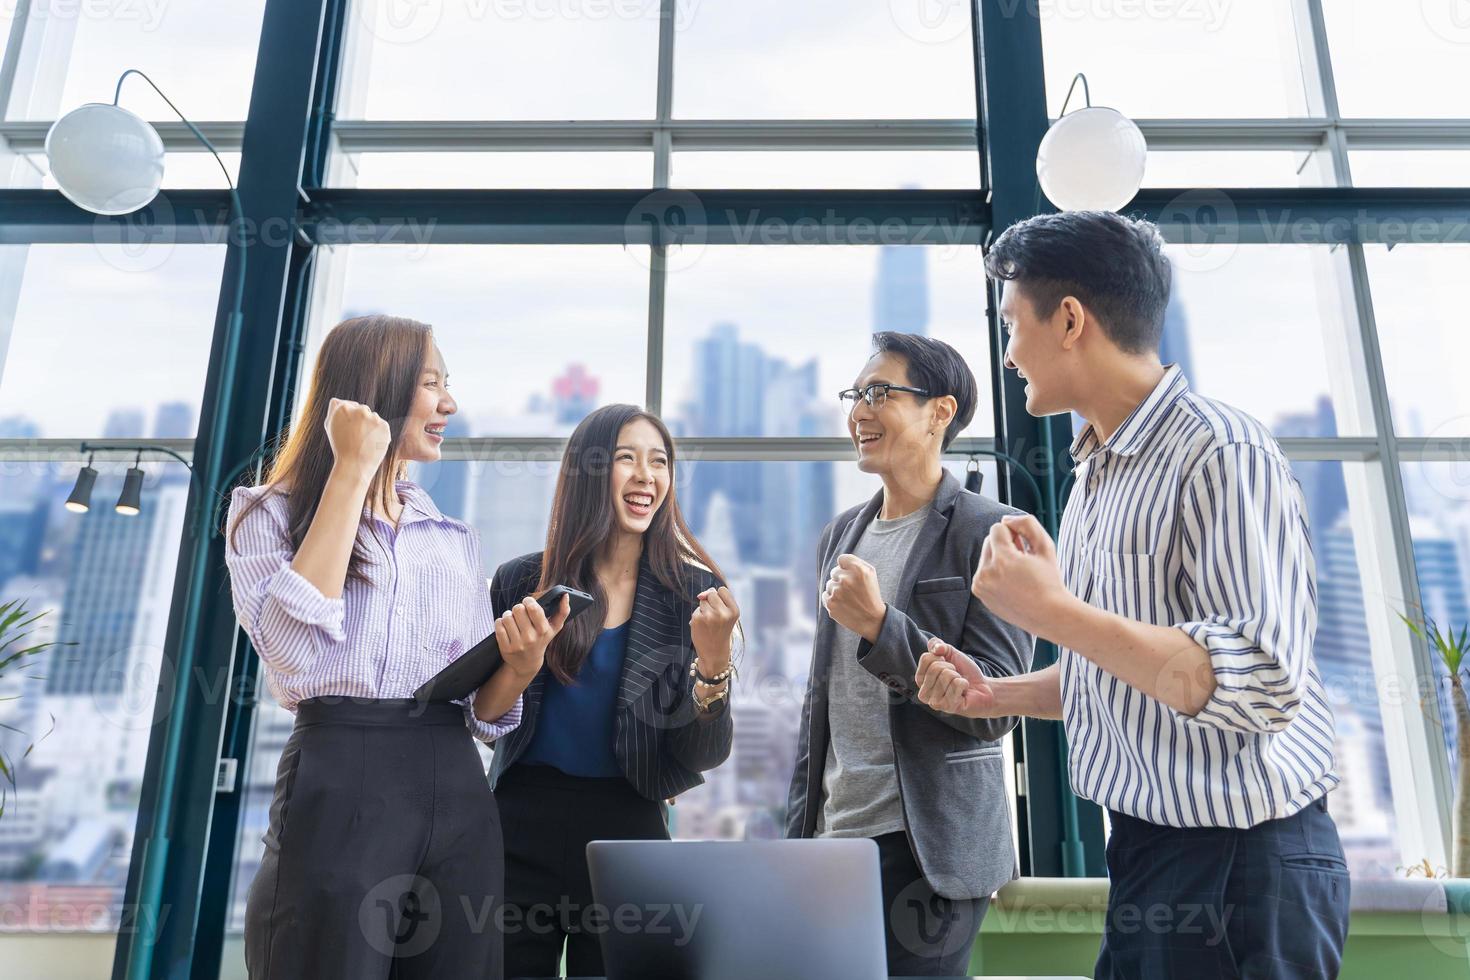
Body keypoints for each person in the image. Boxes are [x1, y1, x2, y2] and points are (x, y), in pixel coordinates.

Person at [916, 211, 1350, 978]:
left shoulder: (1222, 450)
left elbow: (1260, 681)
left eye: (1014, 325)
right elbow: (1125, 672)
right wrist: (996, 695)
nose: (1009, 353)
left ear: (1071, 320)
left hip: (1241, 866)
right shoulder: (1096, 474)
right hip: (1152, 854)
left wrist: (1051, 610)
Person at [225, 315, 568, 979]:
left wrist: (520, 667)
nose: (449, 404)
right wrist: (352, 472)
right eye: (432, 384)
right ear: (377, 390)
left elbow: (479, 713)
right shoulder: (264, 511)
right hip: (340, 771)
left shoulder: (451, 537)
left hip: (454, 783)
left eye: (449, 385)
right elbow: (292, 653)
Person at [784, 332, 1034, 976]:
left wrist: (881, 627)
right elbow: (824, 702)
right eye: (855, 395)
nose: (859, 412)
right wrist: (798, 834)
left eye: (879, 393)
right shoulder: (842, 534)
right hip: (834, 839)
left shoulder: (993, 531)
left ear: (940, 412)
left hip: (931, 851)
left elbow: (996, 705)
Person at [486, 403, 740, 980]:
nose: (646, 476)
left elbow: (704, 754)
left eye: (659, 461)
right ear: (587, 473)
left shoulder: (693, 593)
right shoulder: (522, 583)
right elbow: (486, 714)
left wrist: (714, 661)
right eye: (625, 458)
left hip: (630, 828)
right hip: (517, 824)